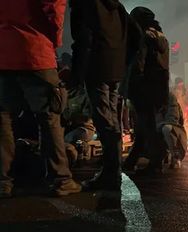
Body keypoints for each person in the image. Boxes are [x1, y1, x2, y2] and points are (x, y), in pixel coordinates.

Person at [0, 0, 81, 198]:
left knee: (3, 118)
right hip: (34, 50)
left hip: (3, 52)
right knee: (49, 117)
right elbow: (54, 6)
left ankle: (3, 182)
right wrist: (55, 39)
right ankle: (60, 179)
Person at [70, 0, 135, 190]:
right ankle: (113, 171)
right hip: (116, 70)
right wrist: (123, 61)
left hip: (96, 69)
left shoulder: (84, 4)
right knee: (112, 120)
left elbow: (81, 39)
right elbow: (136, 36)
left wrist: (76, 74)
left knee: (104, 120)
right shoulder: (118, 7)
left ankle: (110, 173)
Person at [123, 7, 170, 175]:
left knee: (146, 125)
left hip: (143, 87)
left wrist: (130, 86)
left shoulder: (143, 35)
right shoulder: (160, 36)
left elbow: (138, 65)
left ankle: (156, 162)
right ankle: (132, 160)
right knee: (144, 125)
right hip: (158, 87)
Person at [155, 93, 188, 169]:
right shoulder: (152, 99)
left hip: (174, 127)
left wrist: (158, 125)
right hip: (159, 125)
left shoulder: (170, 97)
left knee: (166, 129)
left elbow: (172, 118)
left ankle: (175, 156)